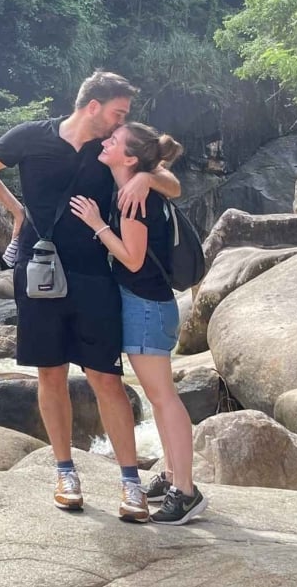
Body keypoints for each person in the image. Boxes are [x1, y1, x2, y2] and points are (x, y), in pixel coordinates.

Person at [0, 71, 179, 522]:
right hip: (39, 271)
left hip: (93, 276)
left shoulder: (109, 150)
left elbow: (173, 185)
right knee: (50, 373)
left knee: (105, 377)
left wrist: (146, 180)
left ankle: (130, 481)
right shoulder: (30, 136)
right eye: (118, 112)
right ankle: (65, 471)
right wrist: (18, 210)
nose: (122, 121)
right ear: (93, 107)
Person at [70, 122, 207, 525]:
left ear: (130, 158)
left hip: (146, 304)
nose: (105, 141)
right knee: (159, 397)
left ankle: (186, 491)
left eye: (114, 141)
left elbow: (131, 258)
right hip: (148, 303)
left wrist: (97, 224)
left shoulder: (136, 199)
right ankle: (171, 477)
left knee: (163, 399)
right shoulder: (135, 187)